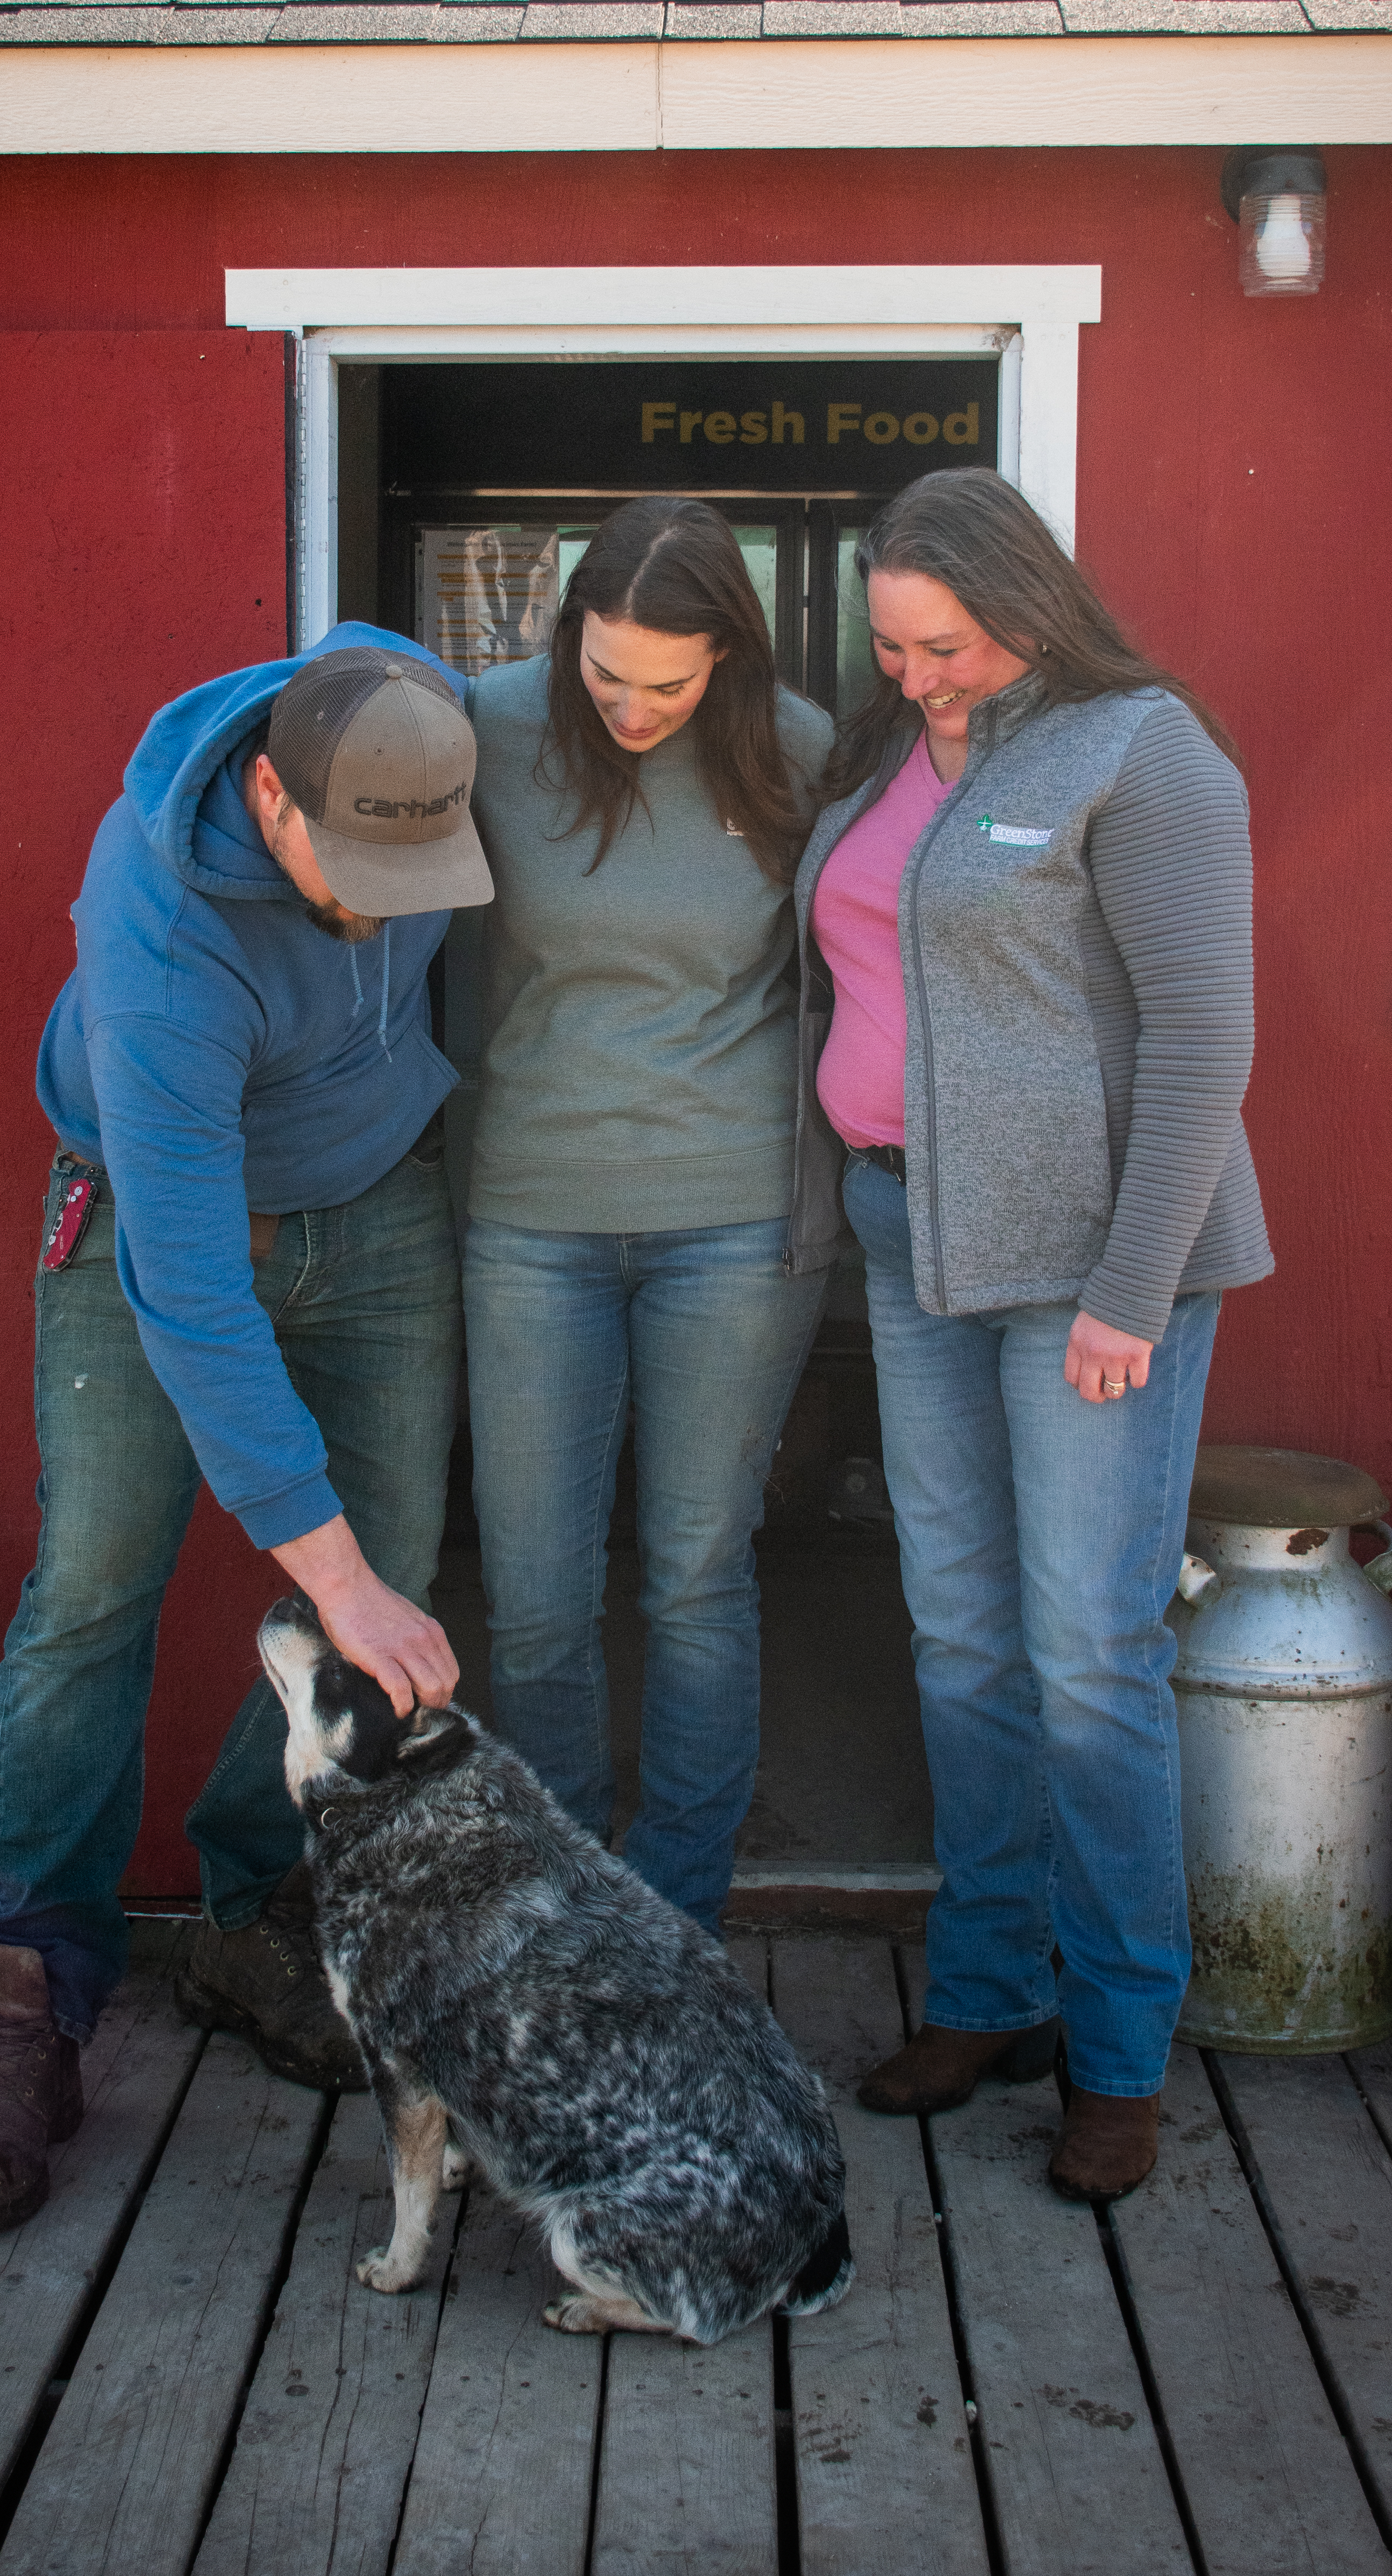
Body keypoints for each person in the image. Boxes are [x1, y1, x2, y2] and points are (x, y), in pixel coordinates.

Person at [0, 628, 492, 2238]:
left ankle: (249, 1908)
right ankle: (33, 1986)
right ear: (266, 793)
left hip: (376, 1195)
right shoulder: (161, 934)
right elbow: (189, 1293)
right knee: (95, 1580)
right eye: (356, 864)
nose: (390, 899)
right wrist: (342, 1581)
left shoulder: (414, 714)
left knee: (370, 1552)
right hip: (165, 1224)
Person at [795, 469, 1271, 2204]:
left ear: (1030, 604)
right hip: (910, 1239)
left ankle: (1122, 2045)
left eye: (950, 644)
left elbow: (1207, 1041)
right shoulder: (882, 754)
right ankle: (992, 1988)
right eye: (893, 643)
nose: (919, 674)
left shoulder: (1142, 753)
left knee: (1089, 1655)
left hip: (1089, 1276)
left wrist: (1133, 1293)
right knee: (960, 1638)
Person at [461, 497, 840, 1932]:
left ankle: (675, 1910)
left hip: (733, 1219)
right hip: (529, 1213)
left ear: (727, 658)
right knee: (537, 1586)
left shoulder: (799, 748)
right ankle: (565, 1906)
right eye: (604, 671)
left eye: (665, 683)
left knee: (693, 1572)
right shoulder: (486, 722)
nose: (629, 705)